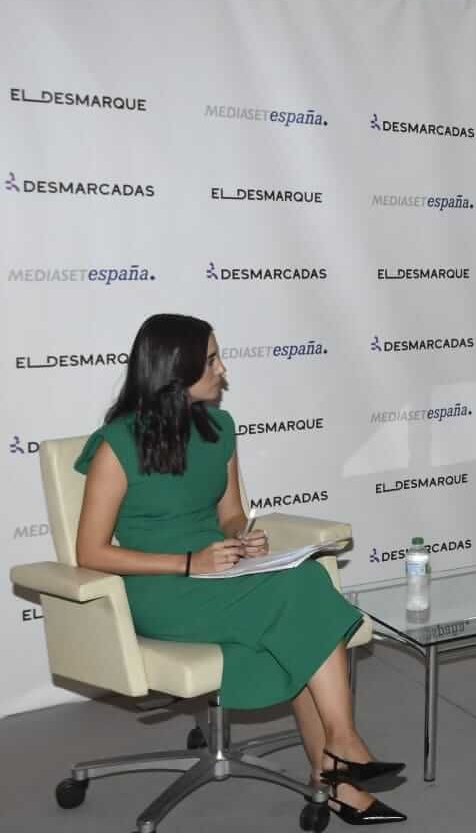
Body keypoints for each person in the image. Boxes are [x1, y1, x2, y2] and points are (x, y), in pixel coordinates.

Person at [74, 314, 406, 825]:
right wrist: (188, 562)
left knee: (305, 583)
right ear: (173, 369)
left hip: (219, 574)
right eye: (210, 359)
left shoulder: (219, 428)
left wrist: (240, 536)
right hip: (160, 590)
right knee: (299, 597)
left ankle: (336, 770)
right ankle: (341, 756)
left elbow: (230, 511)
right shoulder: (117, 445)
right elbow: (90, 553)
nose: (223, 369)